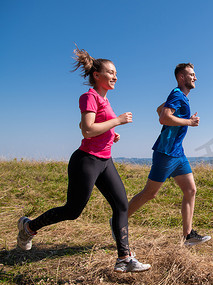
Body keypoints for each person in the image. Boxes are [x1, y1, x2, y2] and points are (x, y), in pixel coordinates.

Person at [16, 47, 150, 273]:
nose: (115, 76)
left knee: (121, 205)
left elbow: (87, 126)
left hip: (105, 161)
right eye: (110, 72)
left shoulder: (105, 101)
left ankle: (124, 258)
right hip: (86, 161)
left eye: (116, 72)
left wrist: (110, 133)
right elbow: (87, 130)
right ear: (97, 75)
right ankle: (29, 227)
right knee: (72, 211)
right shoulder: (89, 96)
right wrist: (116, 122)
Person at [126, 63, 210, 246]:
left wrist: (172, 113)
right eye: (192, 74)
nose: (195, 78)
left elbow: (160, 110)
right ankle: (118, 221)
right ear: (181, 77)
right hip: (166, 153)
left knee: (190, 190)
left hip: (178, 153)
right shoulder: (177, 94)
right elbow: (163, 117)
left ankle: (188, 236)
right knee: (150, 193)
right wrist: (189, 121)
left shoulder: (180, 97)